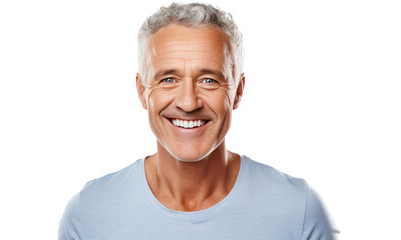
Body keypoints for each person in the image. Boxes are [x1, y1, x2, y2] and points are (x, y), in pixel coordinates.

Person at [59, 2, 336, 239]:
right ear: (142, 92)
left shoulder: (298, 209)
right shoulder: (90, 213)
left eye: (208, 80)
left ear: (237, 92)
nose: (188, 102)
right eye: (169, 79)